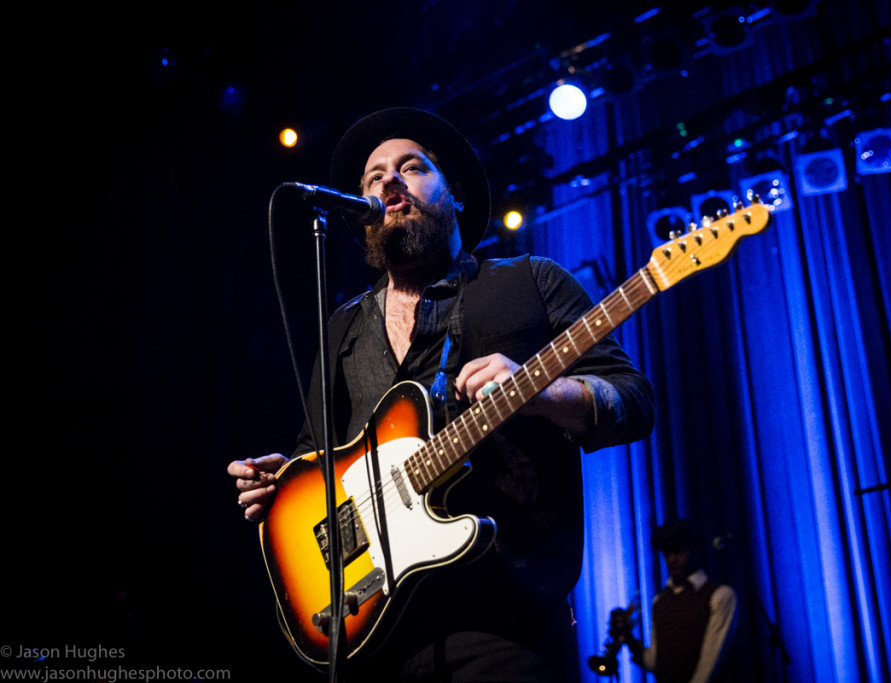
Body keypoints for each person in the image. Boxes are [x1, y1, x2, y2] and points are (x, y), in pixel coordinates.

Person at [227, 107, 655, 682]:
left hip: (504, 620)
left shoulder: (530, 282)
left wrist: (541, 393)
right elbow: (319, 454)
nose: (389, 182)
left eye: (411, 167)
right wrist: (284, 484)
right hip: (372, 633)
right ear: (361, 215)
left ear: (454, 196)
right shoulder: (344, 328)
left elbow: (632, 400)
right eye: (374, 176)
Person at [618, 519, 737, 683]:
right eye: (667, 552)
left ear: (693, 549)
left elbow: (708, 667)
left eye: (679, 551)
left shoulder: (720, 595)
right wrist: (628, 638)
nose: (672, 559)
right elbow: (655, 663)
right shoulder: (660, 601)